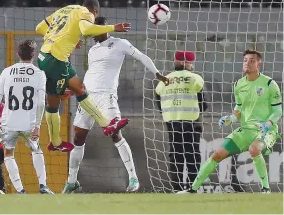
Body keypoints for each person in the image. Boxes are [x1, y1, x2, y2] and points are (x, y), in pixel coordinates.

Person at [62, 17, 169, 194]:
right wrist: (76, 91)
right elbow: (92, 74)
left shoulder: (120, 43)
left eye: (94, 29)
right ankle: (72, 181)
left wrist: (157, 74)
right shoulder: (93, 49)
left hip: (106, 96)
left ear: (103, 28)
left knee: (115, 134)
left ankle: (133, 178)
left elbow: (141, 56)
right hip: (87, 97)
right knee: (78, 139)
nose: (91, 34)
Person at [178, 50, 282, 194]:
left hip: (266, 130)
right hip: (245, 130)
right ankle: (192, 189)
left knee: (254, 149)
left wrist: (268, 124)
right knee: (217, 155)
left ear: (259, 63)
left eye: (252, 61)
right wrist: (232, 117)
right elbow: (239, 107)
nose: (247, 63)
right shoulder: (239, 84)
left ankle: (265, 189)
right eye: (245, 60)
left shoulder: (270, 84)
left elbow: (278, 111)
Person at [36, 0, 132, 153]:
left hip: (46, 56)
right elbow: (87, 30)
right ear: (95, 11)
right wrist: (114, 27)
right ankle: (57, 141)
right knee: (56, 102)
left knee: (79, 90)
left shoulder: (66, 9)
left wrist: (66, 39)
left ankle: (103, 126)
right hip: (56, 59)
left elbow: (39, 28)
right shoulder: (86, 13)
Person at [0, 40, 53, 194]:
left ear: (18, 54)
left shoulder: (7, 71)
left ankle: (20, 190)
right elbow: (41, 103)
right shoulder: (39, 74)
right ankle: (43, 185)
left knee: (8, 153)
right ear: (33, 55)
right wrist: (37, 125)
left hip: (8, 123)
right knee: (36, 150)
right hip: (29, 123)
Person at [155, 51, 206, 192]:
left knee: (176, 155)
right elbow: (204, 103)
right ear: (186, 63)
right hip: (192, 121)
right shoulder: (195, 78)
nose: (191, 65)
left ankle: (176, 188)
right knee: (192, 154)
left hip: (172, 123)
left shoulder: (164, 80)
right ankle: (192, 187)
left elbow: (158, 103)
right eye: (190, 63)